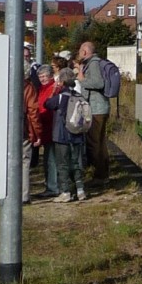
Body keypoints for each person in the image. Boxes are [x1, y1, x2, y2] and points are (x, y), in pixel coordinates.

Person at [45, 68, 87, 202]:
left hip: (62, 135)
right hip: (77, 134)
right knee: (76, 163)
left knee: (62, 164)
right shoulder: (79, 96)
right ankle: (80, 190)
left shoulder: (60, 97)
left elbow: (47, 104)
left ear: (62, 82)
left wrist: (53, 91)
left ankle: (65, 192)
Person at [76, 41, 111, 183]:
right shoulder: (91, 63)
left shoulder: (94, 64)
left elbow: (98, 83)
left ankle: (100, 175)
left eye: (80, 50)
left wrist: (82, 80)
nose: (79, 53)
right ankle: (102, 173)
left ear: (85, 51)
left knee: (95, 142)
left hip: (97, 109)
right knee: (98, 141)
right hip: (97, 107)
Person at [35, 63, 60, 197]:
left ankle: (53, 186)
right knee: (48, 159)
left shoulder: (53, 89)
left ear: (50, 76)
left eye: (44, 76)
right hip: (45, 127)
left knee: (51, 159)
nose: (42, 79)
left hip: (51, 127)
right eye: (40, 77)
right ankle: (51, 185)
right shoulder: (41, 89)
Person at [20, 63, 43, 204]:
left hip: (4, 130)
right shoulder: (28, 88)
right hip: (23, 129)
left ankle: (5, 193)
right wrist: (37, 133)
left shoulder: (3, 84)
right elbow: (33, 112)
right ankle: (24, 196)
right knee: (24, 163)